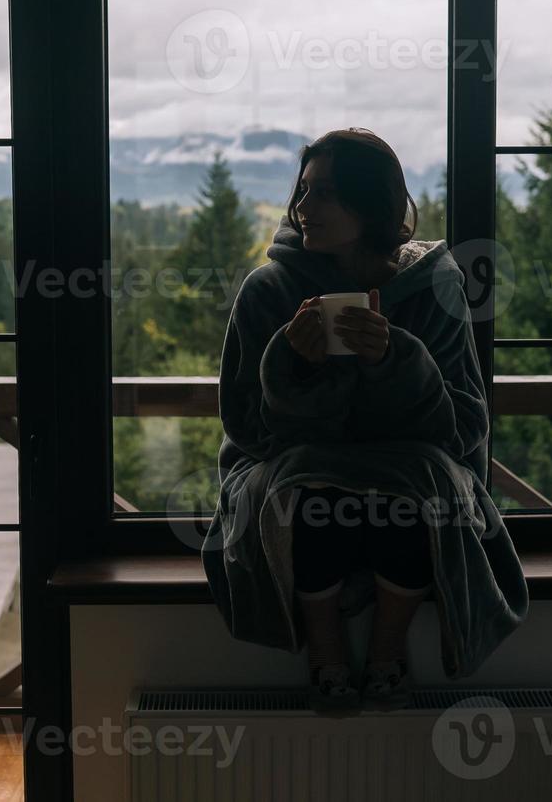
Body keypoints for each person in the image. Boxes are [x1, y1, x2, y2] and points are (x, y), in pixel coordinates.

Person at [203, 127, 529, 712]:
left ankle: (386, 647)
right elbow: (247, 432)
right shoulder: (269, 291)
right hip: (296, 480)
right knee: (315, 484)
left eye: (325, 192)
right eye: (303, 191)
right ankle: (325, 647)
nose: (304, 207)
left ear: (371, 201)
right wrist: (290, 367)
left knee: (415, 484)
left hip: (404, 476)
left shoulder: (434, 287)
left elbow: (462, 429)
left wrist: (398, 361)